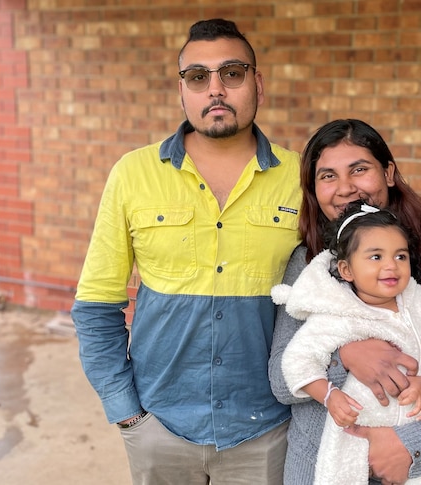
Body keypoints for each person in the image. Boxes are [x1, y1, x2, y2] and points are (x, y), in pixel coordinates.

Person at [71, 18, 302, 484]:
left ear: (257, 83)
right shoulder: (133, 174)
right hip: (160, 427)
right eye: (198, 77)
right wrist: (127, 414)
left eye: (231, 73)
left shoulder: (302, 177)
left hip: (267, 428)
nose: (215, 89)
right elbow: (96, 304)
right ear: (182, 90)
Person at [268, 119, 421, 485]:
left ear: (388, 172)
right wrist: (346, 357)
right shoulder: (309, 262)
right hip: (320, 468)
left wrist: (414, 445)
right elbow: (280, 378)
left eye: (359, 169)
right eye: (327, 176)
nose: (345, 188)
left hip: (419, 468)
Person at [272, 200, 421, 485]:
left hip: (412, 438)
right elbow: (297, 361)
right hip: (350, 442)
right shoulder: (337, 315)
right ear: (347, 270)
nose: (391, 265)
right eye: (376, 257)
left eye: (400, 256)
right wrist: (328, 395)